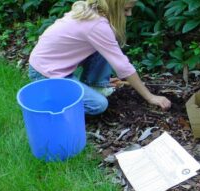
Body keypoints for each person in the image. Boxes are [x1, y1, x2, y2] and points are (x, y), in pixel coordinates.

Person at [28, 0, 171, 115]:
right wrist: (150, 97)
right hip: (45, 74)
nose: (129, 14)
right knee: (98, 104)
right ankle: (52, 108)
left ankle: (95, 85)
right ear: (114, 6)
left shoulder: (91, 10)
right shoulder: (96, 25)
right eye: (126, 9)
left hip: (47, 64)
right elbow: (123, 66)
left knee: (106, 48)